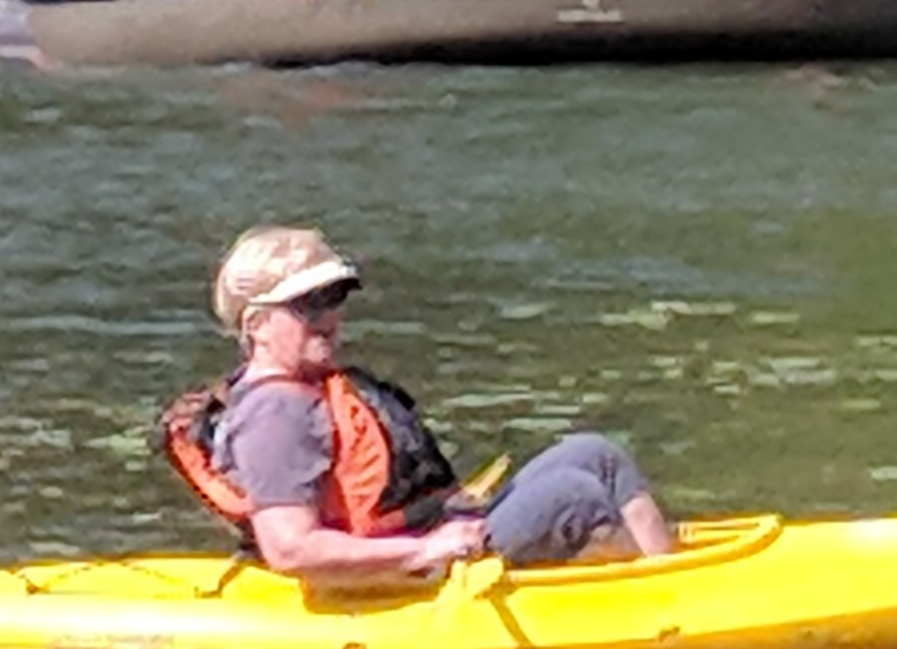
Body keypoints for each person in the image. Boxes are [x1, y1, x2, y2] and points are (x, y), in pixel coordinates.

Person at [162, 225, 675, 585]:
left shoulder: (310, 386)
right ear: (255, 326)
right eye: (308, 304)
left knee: (594, 454)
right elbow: (290, 549)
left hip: (431, 538)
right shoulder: (274, 415)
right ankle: (655, 605)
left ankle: (666, 576)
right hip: (399, 569)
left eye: (335, 296)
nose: (331, 315)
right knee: (572, 493)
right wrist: (423, 549)